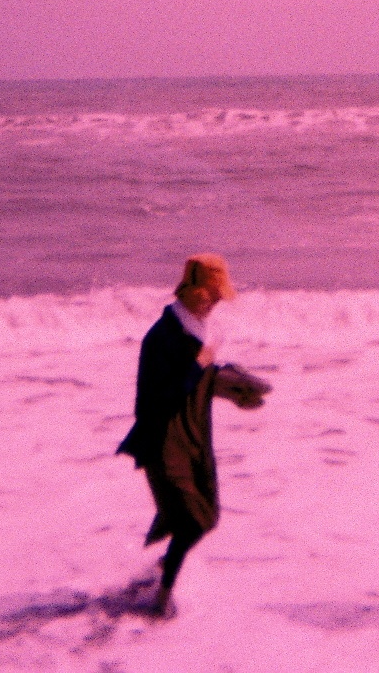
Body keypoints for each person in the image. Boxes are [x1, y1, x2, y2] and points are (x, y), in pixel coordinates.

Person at [117, 253, 250, 616]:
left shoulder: (198, 329)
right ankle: (162, 594)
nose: (220, 300)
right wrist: (203, 362)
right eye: (214, 293)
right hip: (163, 439)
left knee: (206, 516)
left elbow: (198, 384)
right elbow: (166, 393)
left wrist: (235, 390)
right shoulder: (163, 337)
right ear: (196, 292)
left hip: (193, 436)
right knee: (193, 519)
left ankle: (163, 568)